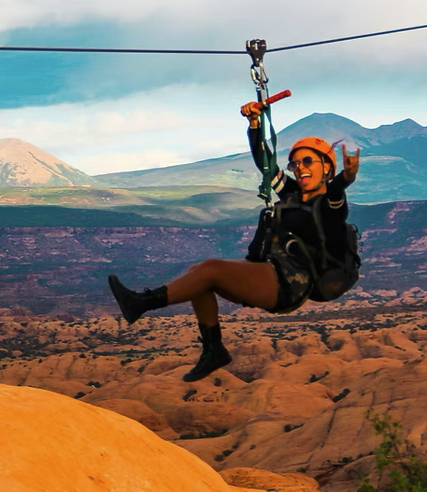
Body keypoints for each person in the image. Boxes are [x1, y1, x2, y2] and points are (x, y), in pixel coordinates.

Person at [108, 101, 360, 382]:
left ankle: (141, 303)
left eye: (308, 161)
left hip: (292, 283)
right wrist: (254, 125)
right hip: (273, 272)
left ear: (327, 167)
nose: (299, 168)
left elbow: (336, 194)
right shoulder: (291, 194)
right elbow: (265, 164)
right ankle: (213, 350)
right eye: (295, 162)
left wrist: (346, 178)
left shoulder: (328, 206)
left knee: (211, 269)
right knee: (199, 276)